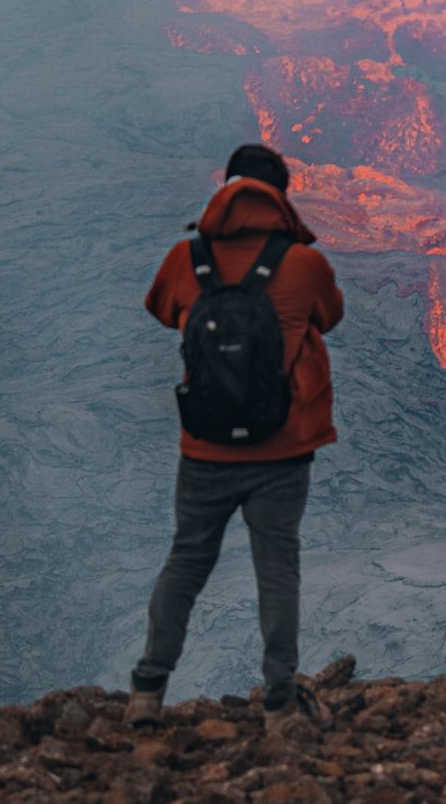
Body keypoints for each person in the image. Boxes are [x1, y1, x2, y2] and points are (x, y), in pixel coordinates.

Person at [126, 144, 344, 730]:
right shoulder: (303, 265)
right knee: (277, 566)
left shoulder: (185, 258)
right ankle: (279, 702)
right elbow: (330, 315)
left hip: (205, 449)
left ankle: (147, 690)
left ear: (224, 189)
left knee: (187, 560)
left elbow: (163, 311)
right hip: (284, 447)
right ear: (281, 195)